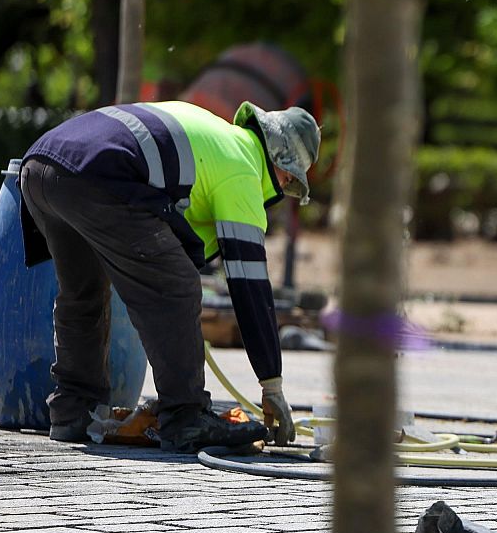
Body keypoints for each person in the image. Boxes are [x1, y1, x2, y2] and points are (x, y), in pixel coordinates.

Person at [18, 99, 320, 453]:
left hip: (40, 167)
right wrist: (272, 385)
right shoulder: (245, 168)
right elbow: (249, 286)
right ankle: (185, 415)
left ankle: (73, 410)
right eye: (289, 178)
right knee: (178, 288)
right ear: (279, 161)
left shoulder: (219, 136)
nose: (285, 188)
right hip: (98, 176)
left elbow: (175, 231)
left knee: (83, 291)